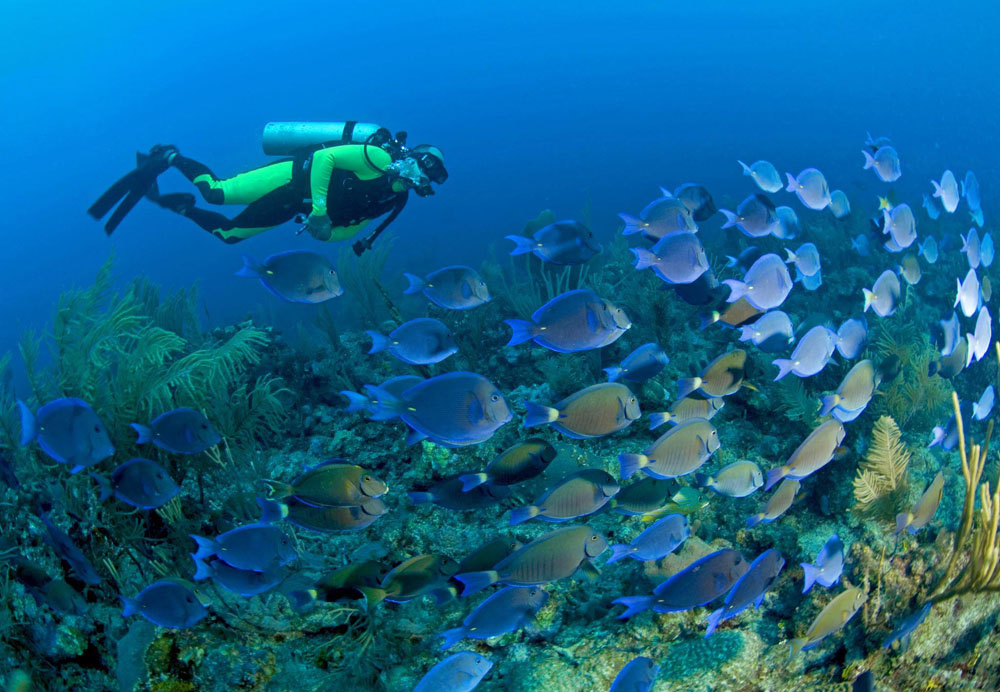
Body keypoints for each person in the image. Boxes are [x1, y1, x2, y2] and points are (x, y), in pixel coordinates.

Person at [88, 122, 447, 255]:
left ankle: (181, 206)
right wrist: (321, 212)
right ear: (410, 155)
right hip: (291, 177)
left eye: (427, 178)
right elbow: (324, 161)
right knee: (217, 193)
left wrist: (328, 234)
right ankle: (170, 156)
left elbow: (360, 227)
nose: (419, 176)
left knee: (228, 236)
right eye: (419, 164)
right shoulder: (377, 157)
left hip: (297, 206)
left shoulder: (396, 198)